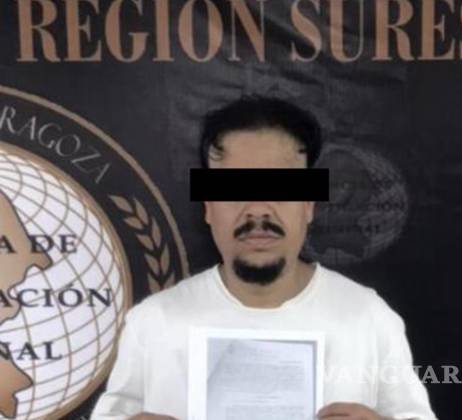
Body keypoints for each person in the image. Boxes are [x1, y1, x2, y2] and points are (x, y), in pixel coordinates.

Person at [91, 96, 437, 420]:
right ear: (209, 207)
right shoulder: (153, 323)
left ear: (308, 205)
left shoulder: (368, 318)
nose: (257, 210)